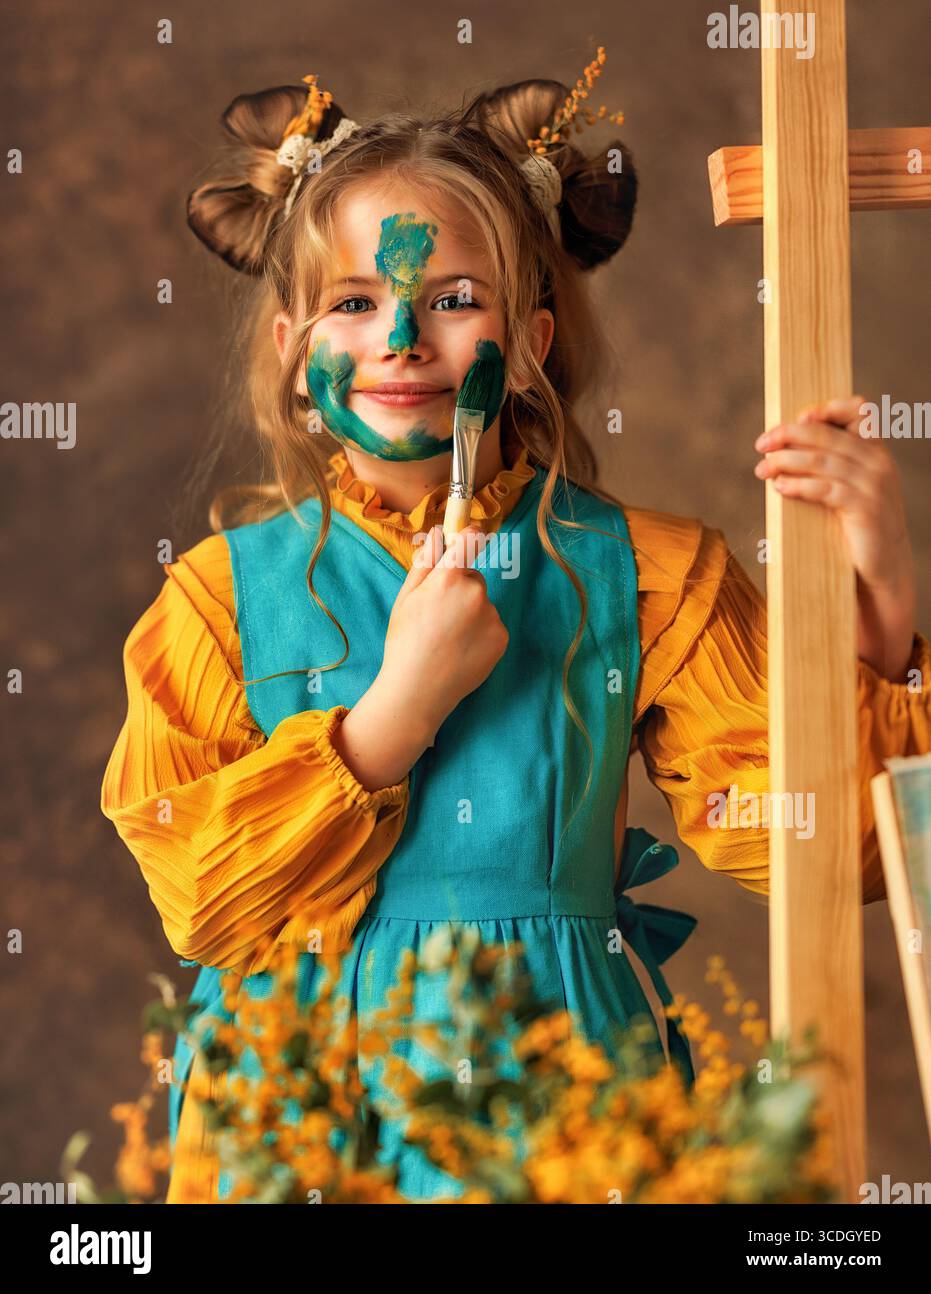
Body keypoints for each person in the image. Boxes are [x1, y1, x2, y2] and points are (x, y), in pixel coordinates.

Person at [101, 60, 931, 1203]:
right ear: (294, 350)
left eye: (451, 299)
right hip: (292, 1115)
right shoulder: (213, 599)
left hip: (562, 1097)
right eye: (354, 302)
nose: (400, 337)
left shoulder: (645, 574)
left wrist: (882, 601)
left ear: (531, 336)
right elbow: (200, 896)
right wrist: (392, 717)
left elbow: (827, 848)